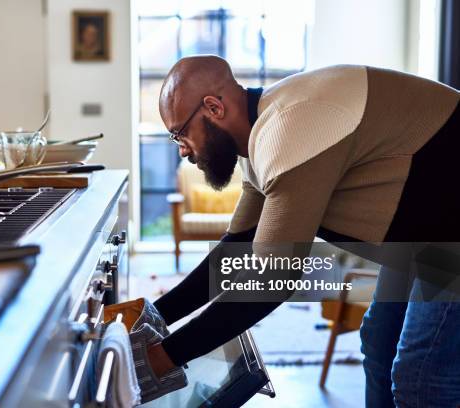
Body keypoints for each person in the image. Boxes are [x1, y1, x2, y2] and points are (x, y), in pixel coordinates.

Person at [142, 55, 460, 407]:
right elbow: (237, 249)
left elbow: (270, 280)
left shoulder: (292, 129)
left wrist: (163, 357)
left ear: (214, 107)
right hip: (423, 233)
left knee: (421, 376)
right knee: (379, 343)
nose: (183, 149)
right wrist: (154, 316)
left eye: (180, 133)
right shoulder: (259, 139)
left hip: (448, 234)